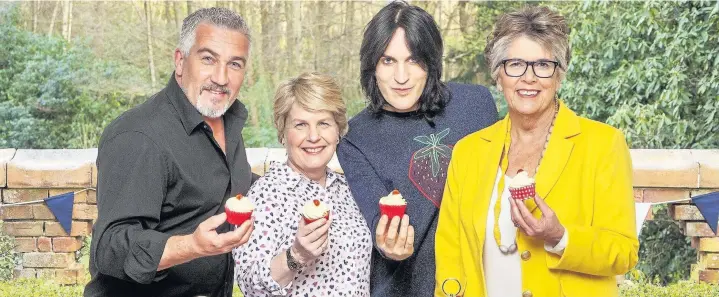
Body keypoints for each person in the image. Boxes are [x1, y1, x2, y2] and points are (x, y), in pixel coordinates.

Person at [435, 6, 639, 297]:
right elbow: (450, 258)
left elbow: (624, 251)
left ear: (559, 75)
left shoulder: (603, 145)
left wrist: (560, 237)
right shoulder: (468, 152)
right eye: (515, 64)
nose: (529, 77)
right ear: (498, 74)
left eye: (543, 65)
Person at [85, 8, 256, 297]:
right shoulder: (139, 137)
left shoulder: (227, 120)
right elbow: (110, 247)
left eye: (235, 64)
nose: (221, 77)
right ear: (180, 61)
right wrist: (191, 246)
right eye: (208, 59)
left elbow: (227, 184)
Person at [336, 1, 498, 296]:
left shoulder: (476, 104)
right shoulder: (354, 138)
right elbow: (376, 216)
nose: (401, 77)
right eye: (388, 61)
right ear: (372, 65)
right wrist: (389, 244)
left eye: (413, 60)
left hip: (478, 283)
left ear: (431, 63)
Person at [234, 72, 372, 296]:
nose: (314, 136)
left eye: (324, 123)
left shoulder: (350, 189)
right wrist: (296, 255)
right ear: (283, 132)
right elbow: (249, 283)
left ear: (338, 130)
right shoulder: (266, 194)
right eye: (300, 125)